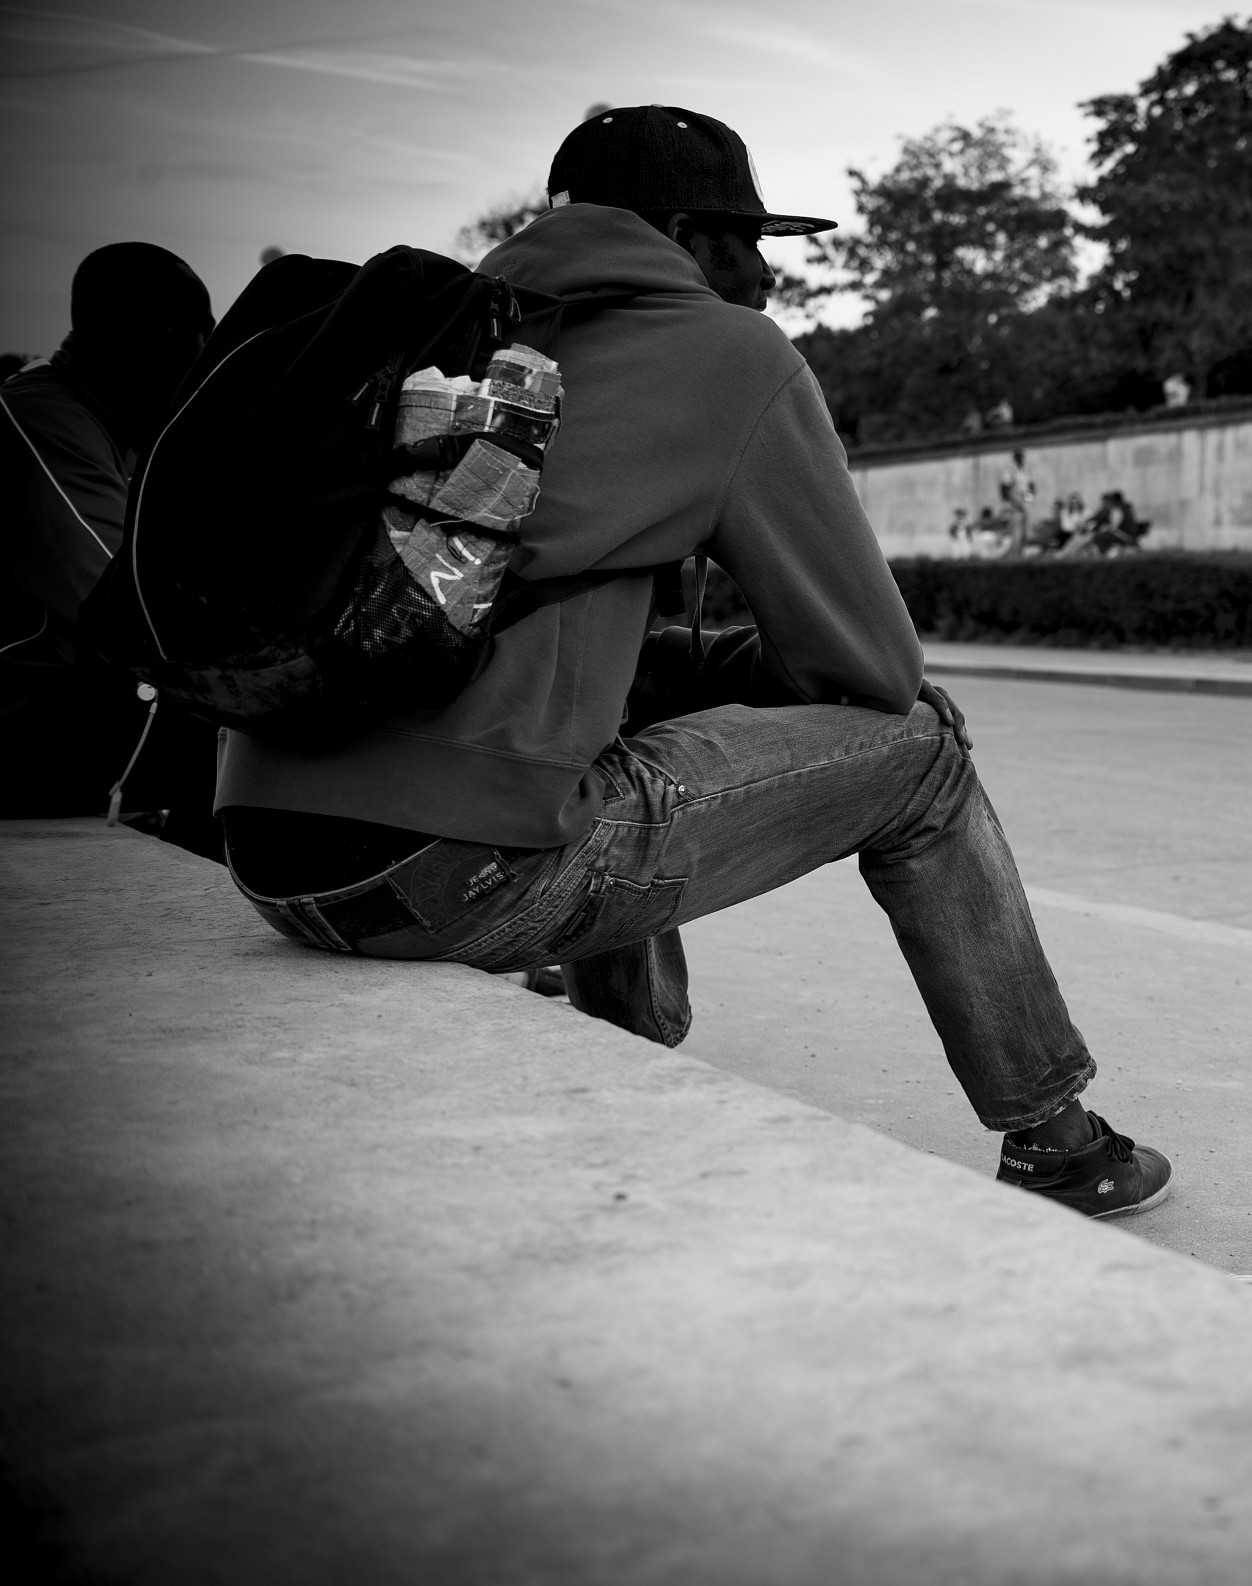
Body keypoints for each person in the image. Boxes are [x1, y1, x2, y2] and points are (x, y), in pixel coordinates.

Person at [211, 105, 1171, 1220]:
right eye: (745, 239)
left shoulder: (456, 332)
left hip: (274, 859)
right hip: (445, 886)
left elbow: (511, 624)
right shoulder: (727, 352)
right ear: (680, 232)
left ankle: (631, 1062)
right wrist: (780, 667)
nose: (763, 272)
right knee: (923, 754)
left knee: (602, 743)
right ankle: (1059, 1140)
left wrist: (718, 661)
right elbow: (871, 666)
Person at [1, 242, 224, 858]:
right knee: (223, 705)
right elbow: (125, 602)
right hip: (26, 705)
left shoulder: (125, 430)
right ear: (139, 340)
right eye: (194, 334)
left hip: (73, 699)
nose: (205, 354)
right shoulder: (35, 413)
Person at [997, 448, 1035, 557]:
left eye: (1022, 456)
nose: (1022, 458)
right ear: (1016, 457)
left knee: (1025, 530)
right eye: (1020, 456)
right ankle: (1014, 554)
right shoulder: (1010, 470)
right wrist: (1010, 502)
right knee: (1017, 530)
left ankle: (1019, 553)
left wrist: (1030, 496)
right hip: (1015, 502)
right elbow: (1005, 488)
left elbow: (1031, 485)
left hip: (1025, 501)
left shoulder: (1026, 470)